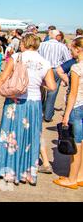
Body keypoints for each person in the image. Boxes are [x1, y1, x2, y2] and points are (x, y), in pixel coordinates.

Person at [0, 34, 57, 186]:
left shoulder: (17, 57)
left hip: (15, 101)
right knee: (30, 137)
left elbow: (3, 78)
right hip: (34, 104)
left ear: (23, 44)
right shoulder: (45, 62)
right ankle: (26, 172)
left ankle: (7, 169)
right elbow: (52, 87)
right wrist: (38, 84)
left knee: (10, 134)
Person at [53, 37, 83, 189]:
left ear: (78, 50)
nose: (70, 51)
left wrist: (66, 115)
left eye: (71, 49)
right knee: (82, 143)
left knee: (75, 144)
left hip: (77, 107)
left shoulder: (76, 68)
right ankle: (80, 175)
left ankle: (71, 179)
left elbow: (73, 93)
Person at [39, 29, 73, 122]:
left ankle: (39, 111)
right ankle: (48, 115)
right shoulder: (62, 46)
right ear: (57, 36)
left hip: (42, 68)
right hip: (55, 69)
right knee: (52, 92)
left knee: (40, 91)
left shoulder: (42, 45)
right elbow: (68, 60)